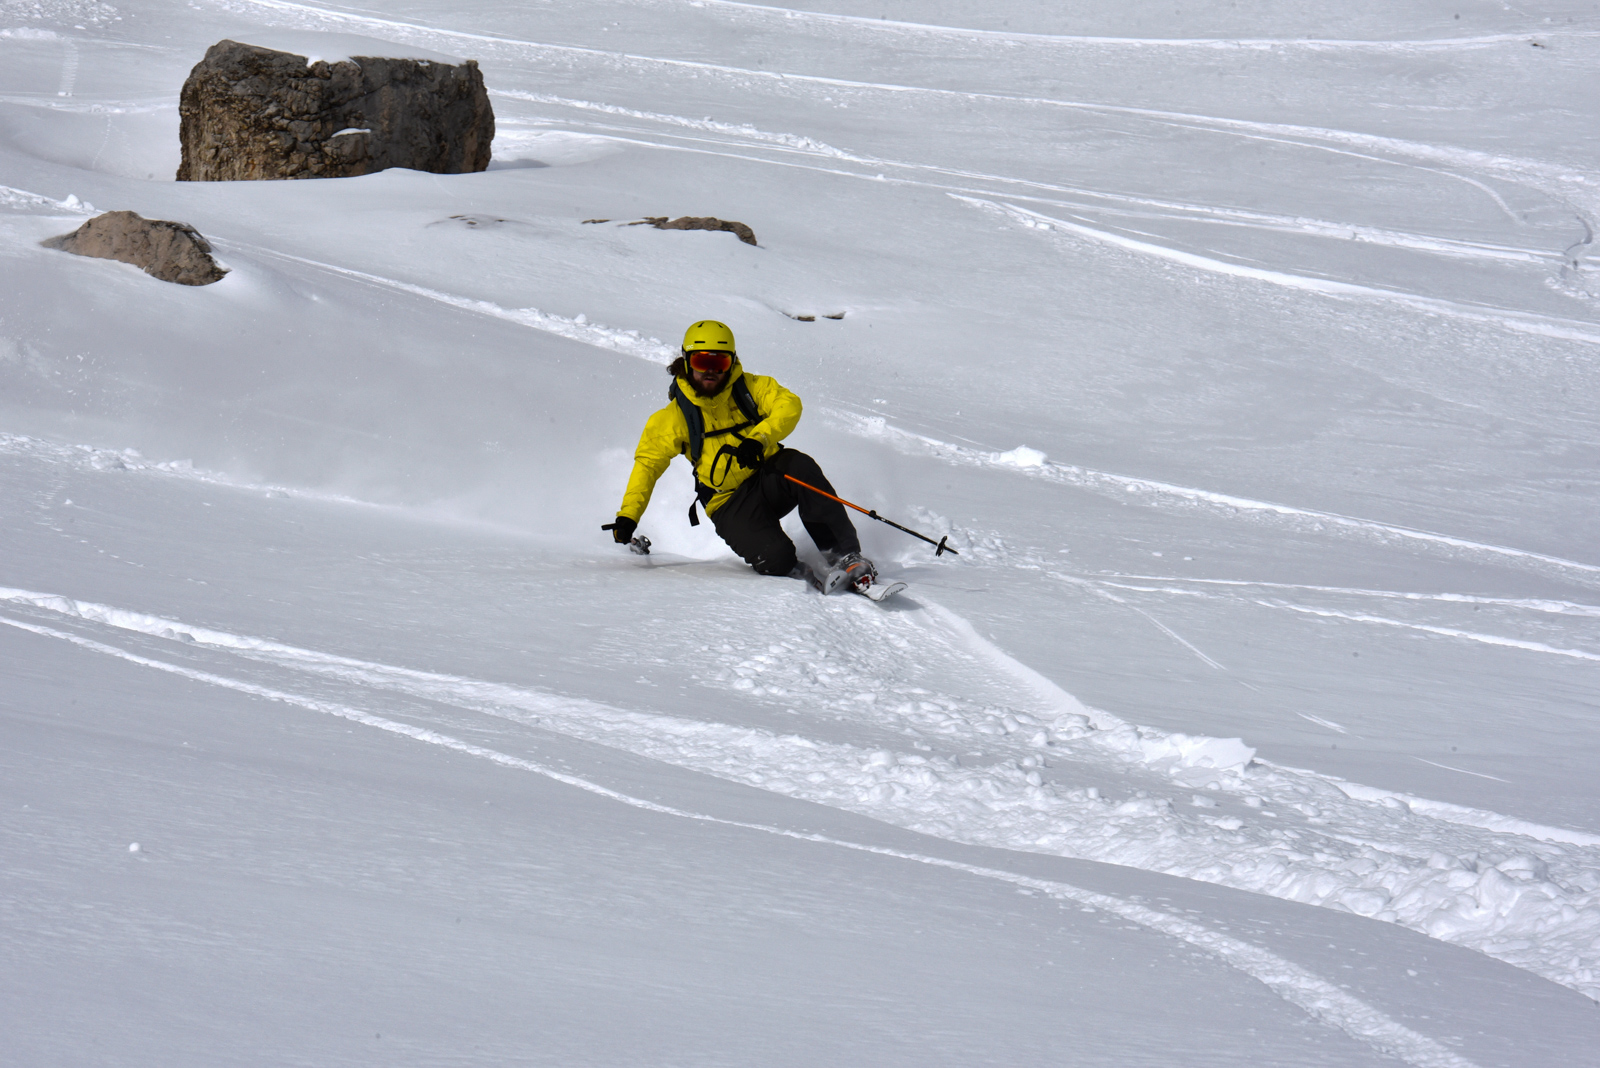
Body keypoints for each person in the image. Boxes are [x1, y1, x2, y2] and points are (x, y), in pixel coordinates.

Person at [608, 319, 876, 591]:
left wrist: (759, 439)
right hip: (728, 501)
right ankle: (794, 569)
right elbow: (647, 465)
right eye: (702, 361)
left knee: (800, 466)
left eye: (720, 363)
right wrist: (629, 515)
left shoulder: (750, 388)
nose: (711, 371)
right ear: (687, 361)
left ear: (732, 362)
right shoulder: (672, 418)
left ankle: (844, 557)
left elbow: (789, 405)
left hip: (768, 477)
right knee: (776, 559)